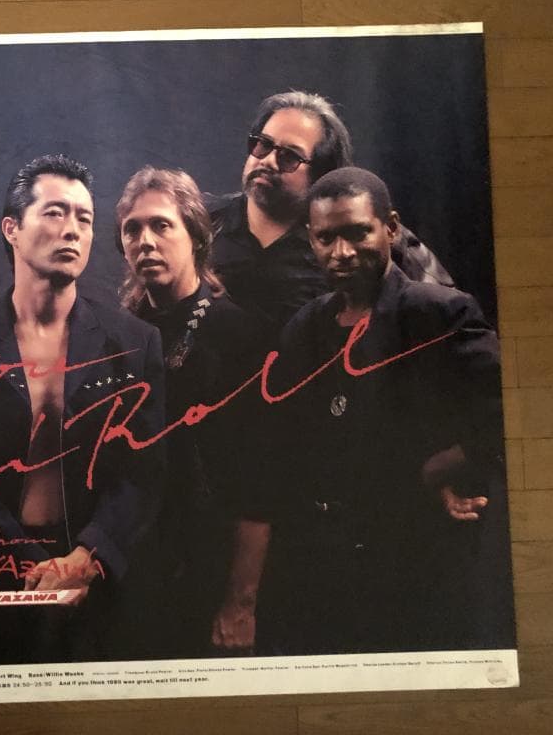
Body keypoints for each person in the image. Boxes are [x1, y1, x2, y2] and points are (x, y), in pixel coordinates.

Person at [0, 154, 165, 665]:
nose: (72, 229)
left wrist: (87, 557)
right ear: (12, 228)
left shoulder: (134, 342)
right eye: (55, 212)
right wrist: (27, 562)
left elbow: (144, 470)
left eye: (84, 218)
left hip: (92, 585)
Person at [256, 167, 511, 654]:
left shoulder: (440, 312)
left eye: (357, 233)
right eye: (325, 238)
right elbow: (287, 443)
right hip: (326, 567)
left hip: (419, 560)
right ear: (311, 240)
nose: (341, 252)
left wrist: (438, 469)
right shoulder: (304, 327)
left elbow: (506, 414)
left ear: (390, 228)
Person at [115, 166, 268, 657]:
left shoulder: (239, 334)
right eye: (132, 229)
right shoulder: (118, 335)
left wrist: (241, 600)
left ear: (196, 236)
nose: (145, 241)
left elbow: (260, 482)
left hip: (210, 564)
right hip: (133, 566)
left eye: (161, 225)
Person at [208, 90, 453, 334]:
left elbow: (446, 315)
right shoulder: (202, 222)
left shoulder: (366, 236)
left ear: (321, 173)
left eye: (289, 156)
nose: (268, 161)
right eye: (263, 144)